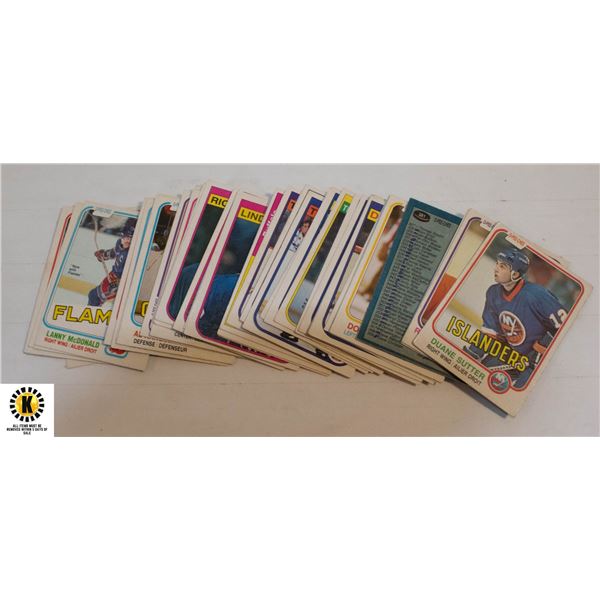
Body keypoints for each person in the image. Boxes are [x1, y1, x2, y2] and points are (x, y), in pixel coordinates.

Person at [465, 249, 567, 389]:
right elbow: (491, 331)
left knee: (518, 391)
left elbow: (565, 326)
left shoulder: (537, 295)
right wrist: (472, 353)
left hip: (534, 363)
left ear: (515, 274)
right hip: (512, 355)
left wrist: (542, 351)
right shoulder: (493, 293)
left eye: (502, 266)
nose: (496, 268)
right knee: (480, 378)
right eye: (497, 264)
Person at [87, 219, 136, 306]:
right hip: (113, 277)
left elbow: (133, 274)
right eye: (125, 236)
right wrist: (103, 255)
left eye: (130, 238)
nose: (127, 240)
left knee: (95, 297)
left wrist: (118, 285)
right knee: (93, 295)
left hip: (119, 282)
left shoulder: (132, 253)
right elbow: (114, 252)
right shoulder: (120, 244)